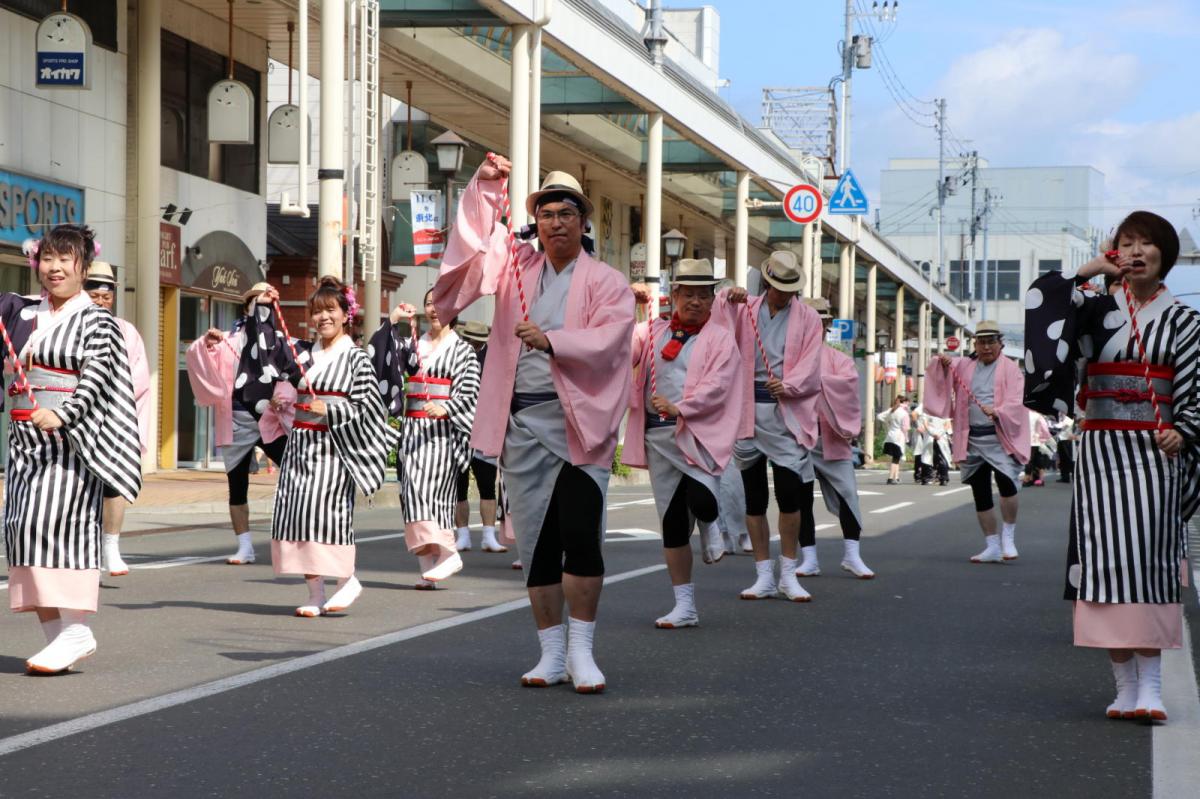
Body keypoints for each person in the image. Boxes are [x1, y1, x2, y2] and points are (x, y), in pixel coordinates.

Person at [433, 158, 633, 692]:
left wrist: (555, 341)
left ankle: (582, 651)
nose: (556, 223)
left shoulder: (608, 282)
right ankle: (549, 651)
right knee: (538, 544)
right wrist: (485, 186)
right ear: (536, 222)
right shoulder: (515, 268)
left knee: (580, 537)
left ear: (583, 221)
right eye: (546, 214)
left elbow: (614, 340)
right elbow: (474, 244)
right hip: (523, 421)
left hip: (578, 422)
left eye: (566, 213)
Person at [1025, 210, 1198, 722]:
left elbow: (1196, 387)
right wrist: (1087, 270)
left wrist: (1184, 429)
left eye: (1148, 244)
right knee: (1103, 564)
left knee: (1149, 562)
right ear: (1115, 252)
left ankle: (1153, 687)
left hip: (1155, 452)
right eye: (1128, 243)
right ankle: (1123, 688)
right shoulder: (1094, 309)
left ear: (1165, 255)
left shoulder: (1186, 322)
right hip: (1100, 452)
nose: (1137, 251)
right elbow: (1045, 306)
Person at [4, 225, 141, 673]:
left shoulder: (97, 321)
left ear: (83, 266)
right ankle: (60, 639)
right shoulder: (22, 313)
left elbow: (98, 377)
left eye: (66, 260)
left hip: (72, 447)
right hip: (26, 442)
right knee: (24, 531)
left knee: (60, 531)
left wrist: (64, 414)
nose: (55, 268)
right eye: (47, 259)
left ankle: (77, 627)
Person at [235, 279, 397, 615]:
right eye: (317, 311)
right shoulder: (304, 353)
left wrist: (332, 408)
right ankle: (314, 592)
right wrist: (261, 304)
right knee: (297, 513)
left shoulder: (356, 358)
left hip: (336, 448)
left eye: (330, 310)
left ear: (345, 314)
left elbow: (369, 407)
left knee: (327, 515)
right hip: (302, 444)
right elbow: (267, 349)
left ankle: (346, 578)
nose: (323, 317)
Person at [625, 259, 743, 628]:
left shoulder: (721, 338)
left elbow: (719, 386)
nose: (695, 301)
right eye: (687, 293)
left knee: (703, 500)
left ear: (712, 300)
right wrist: (627, 304)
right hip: (659, 438)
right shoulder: (653, 331)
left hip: (699, 433)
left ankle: (712, 523)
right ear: (674, 295)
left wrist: (682, 408)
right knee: (673, 525)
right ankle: (685, 605)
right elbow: (620, 351)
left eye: (703, 295)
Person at [710, 250, 824, 602]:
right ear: (766, 282)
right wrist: (727, 299)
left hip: (784, 412)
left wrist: (789, 384)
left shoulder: (808, 318)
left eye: (787, 288)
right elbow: (718, 327)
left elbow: (810, 362)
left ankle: (789, 572)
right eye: (776, 286)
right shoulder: (747, 309)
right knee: (754, 499)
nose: (781, 293)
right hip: (747, 410)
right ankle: (763, 573)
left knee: (790, 498)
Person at [371, 291, 481, 587]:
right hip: (413, 430)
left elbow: (470, 391)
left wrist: (447, 407)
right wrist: (393, 321)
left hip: (442, 433)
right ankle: (427, 568)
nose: (434, 309)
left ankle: (449, 552)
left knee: (433, 496)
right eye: (430, 303)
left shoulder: (463, 351)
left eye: (442, 302)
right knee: (410, 495)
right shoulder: (414, 344)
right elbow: (383, 361)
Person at [186, 283, 294, 565]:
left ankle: (294, 533)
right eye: (255, 302)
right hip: (236, 417)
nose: (260, 308)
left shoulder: (279, 339)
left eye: (266, 304)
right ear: (246, 305)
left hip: (270, 417)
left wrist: (281, 396)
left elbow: (289, 375)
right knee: (237, 484)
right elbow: (205, 365)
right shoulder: (230, 339)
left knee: (296, 469)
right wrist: (208, 345)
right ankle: (244, 545)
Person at [927, 322, 1030, 563]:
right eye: (981, 342)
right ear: (974, 344)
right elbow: (944, 373)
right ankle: (991, 544)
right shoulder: (965, 365)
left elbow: (1017, 400)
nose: (986, 347)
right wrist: (941, 364)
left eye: (991, 342)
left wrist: (999, 411)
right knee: (980, 491)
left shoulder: (1011, 369)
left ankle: (1008, 536)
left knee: (1007, 484)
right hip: (971, 437)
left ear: (1000, 342)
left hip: (1000, 436)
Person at [795, 297, 874, 579]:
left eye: (821, 321)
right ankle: (809, 558)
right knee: (801, 499)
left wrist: (815, 382)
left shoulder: (839, 359)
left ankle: (852, 555)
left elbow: (848, 390)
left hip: (832, 435)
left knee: (848, 495)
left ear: (828, 325)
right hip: (800, 438)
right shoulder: (789, 357)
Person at [84, 262, 150, 576]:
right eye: (93, 294)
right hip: (74, 420)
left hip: (113, 417)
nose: (99, 301)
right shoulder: (68, 325)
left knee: (114, 484)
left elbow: (138, 379)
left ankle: (111, 544)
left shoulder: (126, 332)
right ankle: (82, 551)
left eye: (105, 296)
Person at [452, 320, 505, 554]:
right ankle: (462, 534)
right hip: (457, 426)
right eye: (469, 339)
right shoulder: (456, 354)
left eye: (476, 340)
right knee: (458, 485)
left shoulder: (493, 359)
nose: (471, 343)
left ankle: (488, 535)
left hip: (484, 427)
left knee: (486, 484)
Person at [877, 395, 910, 485]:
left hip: (890, 436)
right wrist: (906, 438)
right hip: (899, 437)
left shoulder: (892, 410)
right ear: (904, 402)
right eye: (907, 402)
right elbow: (905, 428)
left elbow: (879, 416)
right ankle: (890, 478)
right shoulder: (904, 413)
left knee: (896, 458)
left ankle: (897, 477)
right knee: (896, 459)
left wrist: (888, 423)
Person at [1022, 410, 1053, 487]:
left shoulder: (1023, 413)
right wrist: (1045, 439)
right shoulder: (1038, 416)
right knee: (1038, 459)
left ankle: (1028, 478)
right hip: (1036, 440)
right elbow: (1045, 430)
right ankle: (1039, 479)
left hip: (1024, 440)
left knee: (1029, 459)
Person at [1054, 412, 1078, 483]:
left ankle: (1074, 476)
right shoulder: (1062, 418)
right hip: (1061, 439)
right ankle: (1065, 477)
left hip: (1067, 440)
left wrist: (1052, 425)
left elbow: (1061, 427)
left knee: (1069, 459)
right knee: (1062, 459)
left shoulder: (1069, 419)